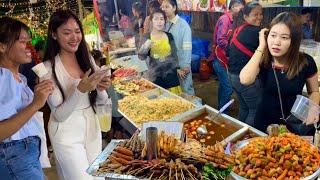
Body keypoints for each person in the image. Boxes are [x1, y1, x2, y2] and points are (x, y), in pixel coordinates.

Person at [42, 10, 111, 180]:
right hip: (66, 132)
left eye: (77, 31)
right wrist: (81, 89)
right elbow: (59, 115)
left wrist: (101, 89)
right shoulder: (47, 68)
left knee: (98, 177)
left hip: (92, 125)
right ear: (54, 34)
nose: (74, 37)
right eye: (67, 32)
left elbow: (100, 101)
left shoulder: (87, 58)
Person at [240, 12, 319, 135]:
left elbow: (314, 91)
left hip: (293, 124)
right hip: (264, 123)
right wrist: (261, 45)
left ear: (294, 41)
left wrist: (313, 108)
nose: (276, 42)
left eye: (284, 37)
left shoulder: (306, 62)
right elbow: (245, 79)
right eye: (273, 35)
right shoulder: (263, 59)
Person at [0, 17, 54, 180]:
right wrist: (35, 104)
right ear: (2, 46)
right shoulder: (2, 78)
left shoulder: (20, 78)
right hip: (14, 156)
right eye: (23, 41)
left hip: (25, 155)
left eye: (30, 41)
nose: (30, 46)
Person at [228, 2, 263, 126]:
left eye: (261, 14)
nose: (259, 17)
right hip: (245, 79)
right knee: (254, 110)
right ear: (245, 17)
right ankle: (249, 139)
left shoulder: (238, 30)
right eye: (255, 14)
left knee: (244, 107)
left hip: (232, 75)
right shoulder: (257, 32)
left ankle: (239, 134)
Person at [208, 0, 245, 112]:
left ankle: (221, 108)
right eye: (240, 8)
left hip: (225, 59)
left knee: (224, 86)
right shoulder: (225, 19)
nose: (242, 11)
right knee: (228, 87)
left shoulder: (235, 20)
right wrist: (233, 51)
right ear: (233, 7)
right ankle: (224, 115)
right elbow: (221, 40)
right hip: (219, 59)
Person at [139, 9, 181, 92]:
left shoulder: (169, 36)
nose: (159, 22)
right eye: (156, 19)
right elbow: (141, 57)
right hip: (156, 76)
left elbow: (174, 54)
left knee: (174, 102)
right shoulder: (146, 37)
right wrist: (146, 47)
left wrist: (178, 68)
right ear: (151, 21)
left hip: (171, 74)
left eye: (162, 19)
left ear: (165, 21)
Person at [161, 0, 195, 95]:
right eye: (162, 7)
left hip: (182, 65)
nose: (164, 9)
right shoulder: (164, 24)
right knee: (174, 93)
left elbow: (187, 47)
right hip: (169, 66)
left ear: (174, 8)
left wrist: (186, 66)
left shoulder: (183, 25)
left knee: (186, 91)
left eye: (167, 7)